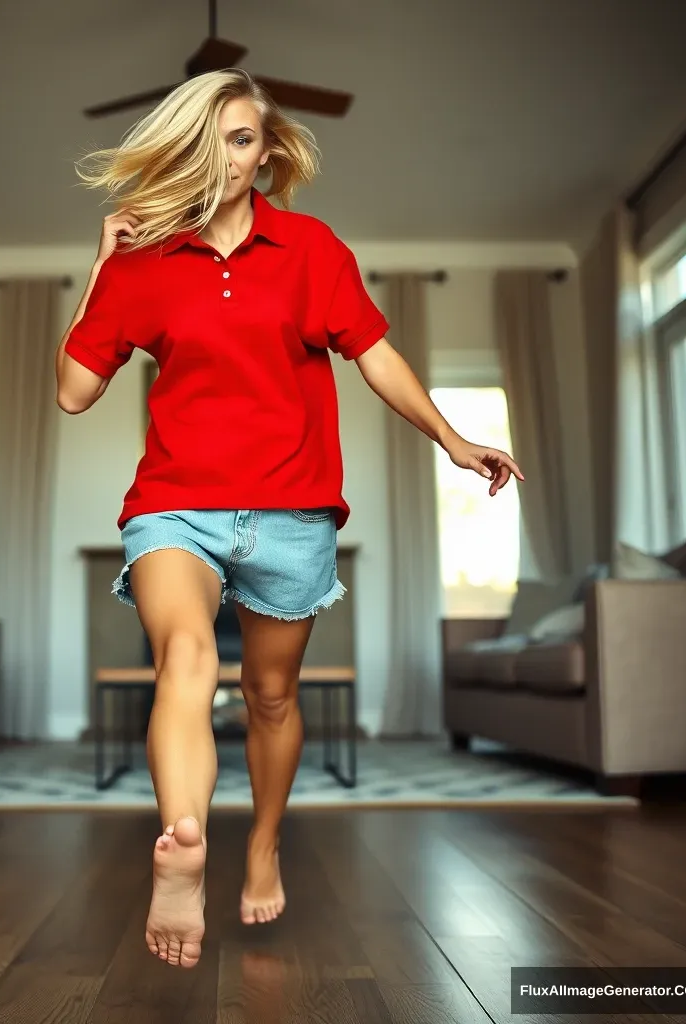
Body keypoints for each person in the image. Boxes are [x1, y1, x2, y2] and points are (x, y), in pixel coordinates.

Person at [55, 69, 523, 969]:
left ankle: (262, 843)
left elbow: (376, 356)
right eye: (211, 138)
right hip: (176, 506)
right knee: (185, 656)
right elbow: (75, 393)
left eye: (242, 139)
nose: (226, 157)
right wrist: (101, 268)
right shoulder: (145, 265)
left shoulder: (311, 248)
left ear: (265, 150)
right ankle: (184, 849)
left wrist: (453, 440)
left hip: (291, 509)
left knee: (270, 695)